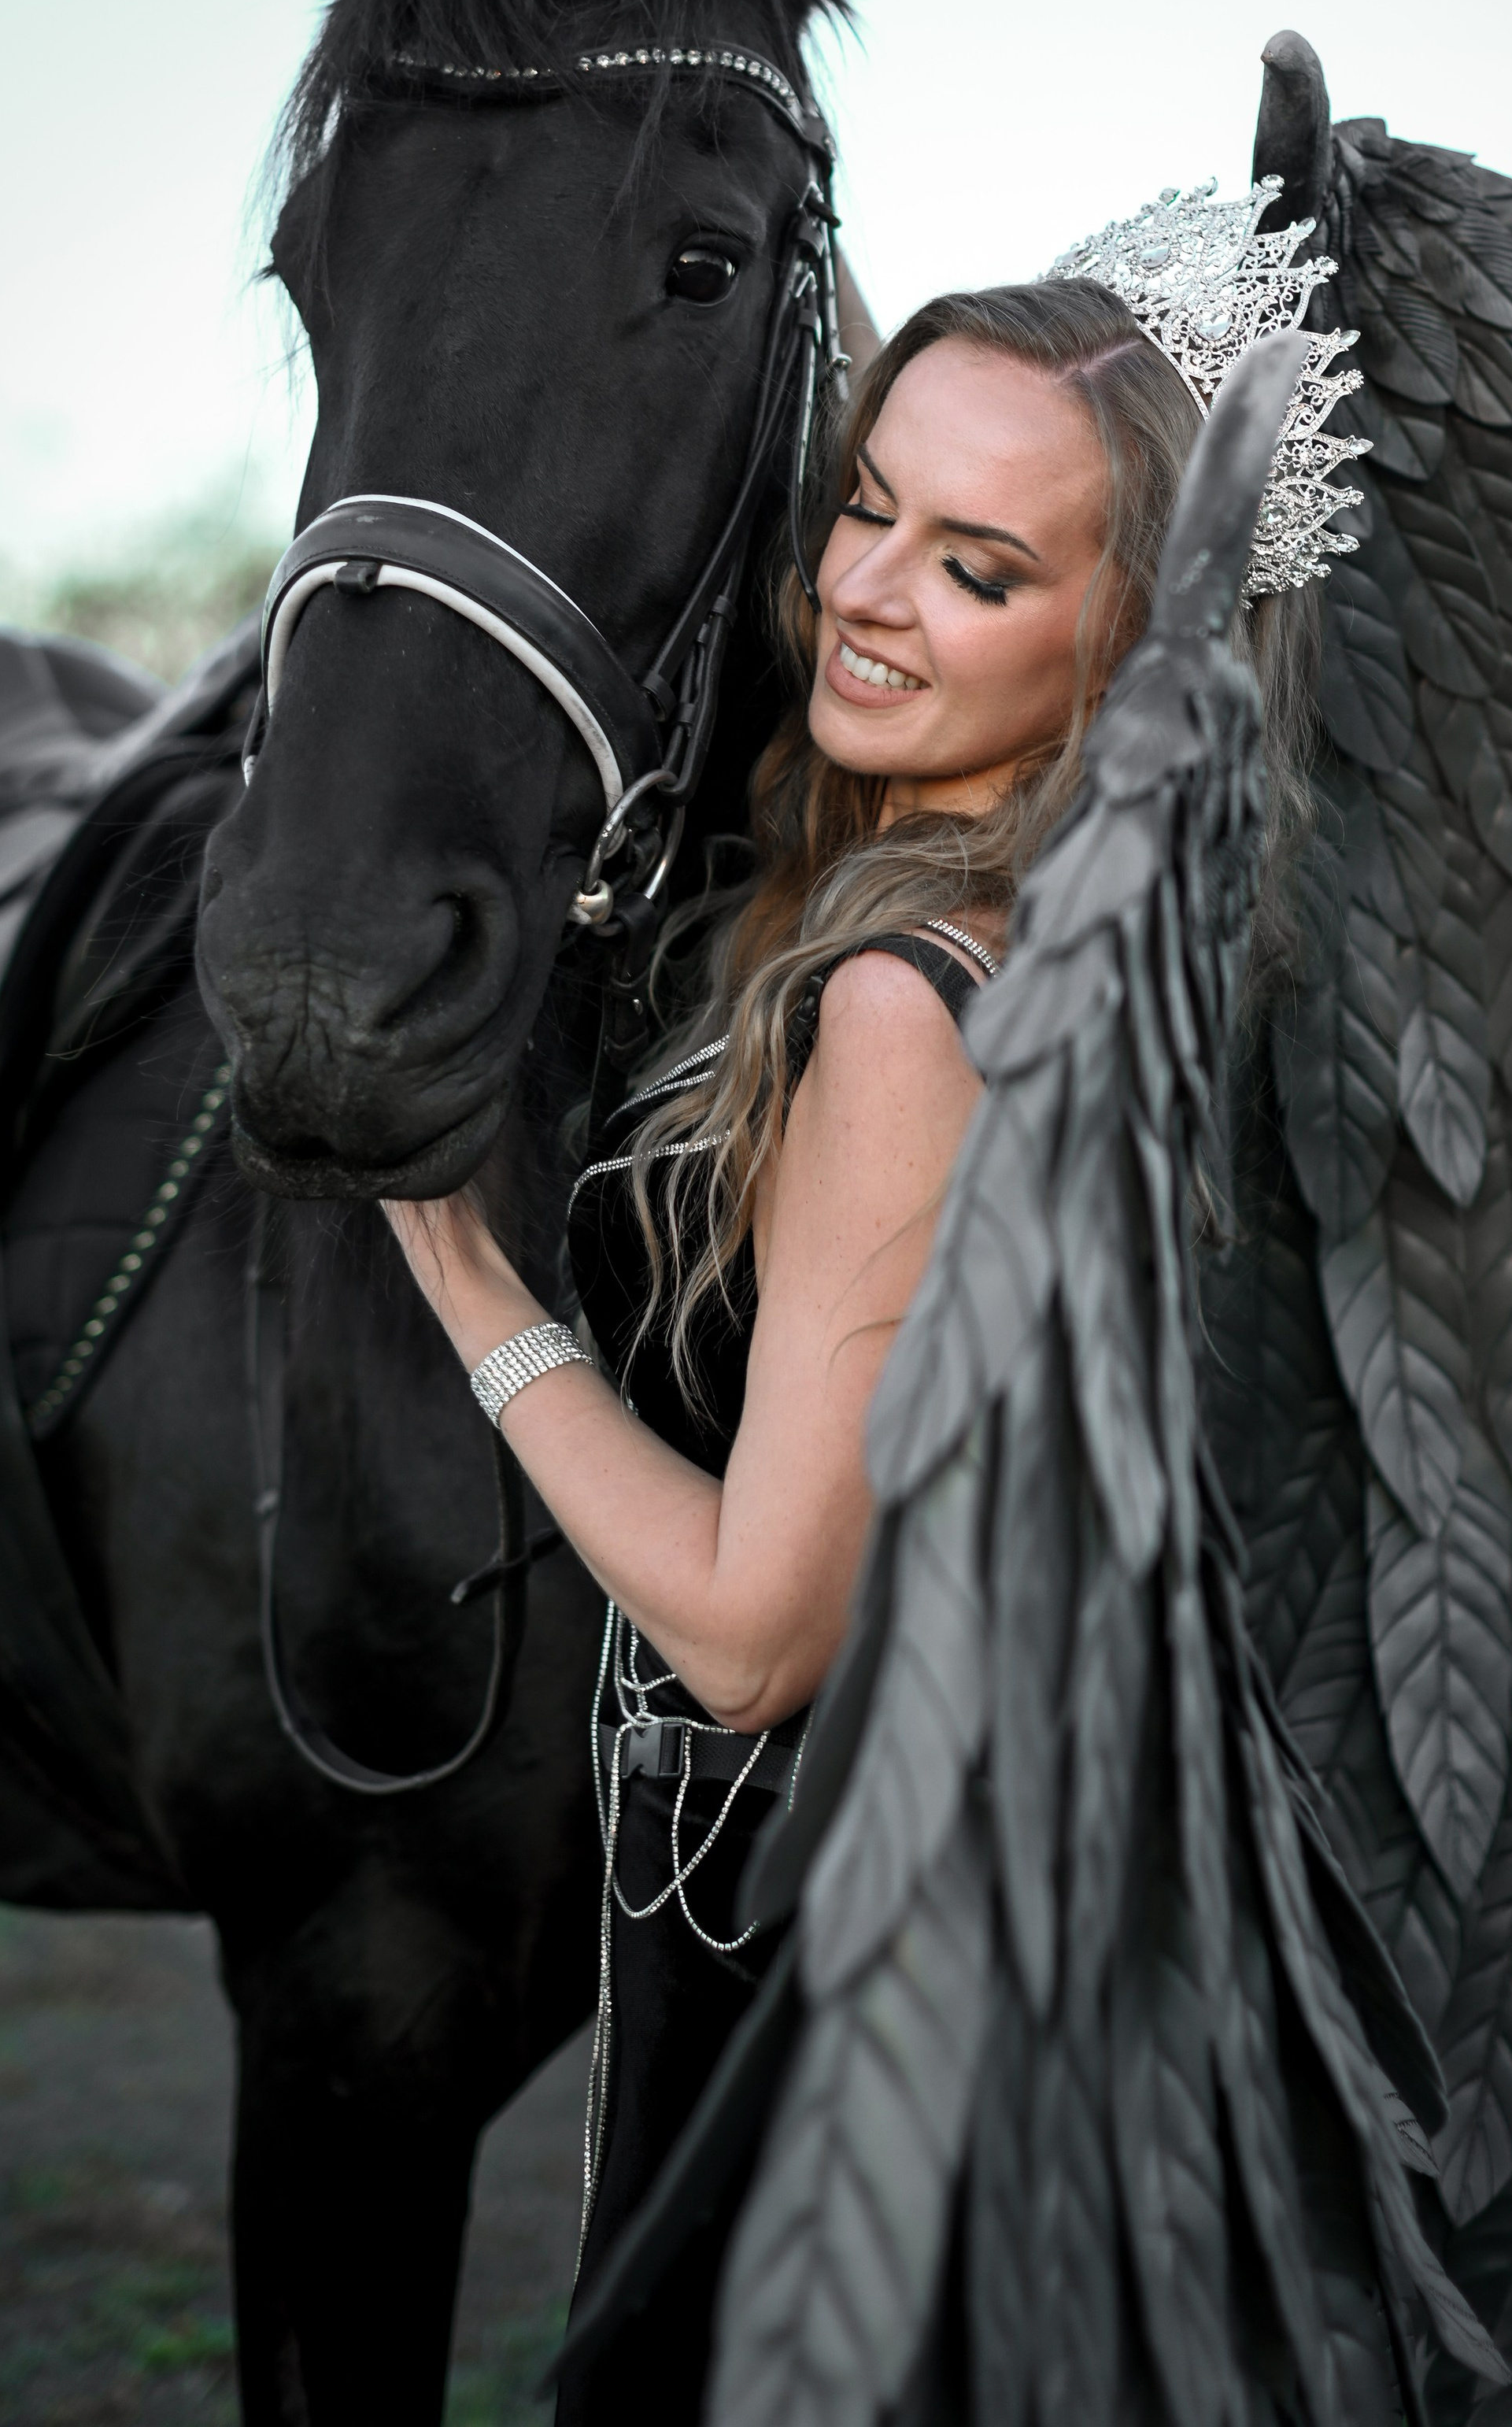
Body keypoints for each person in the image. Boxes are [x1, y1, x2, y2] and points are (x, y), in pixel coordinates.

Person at [383, 269, 1323, 2417]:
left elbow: (749, 1636)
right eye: (868, 509)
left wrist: (461, 1273)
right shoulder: (1096, 947)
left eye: (979, 566)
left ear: (1120, 639)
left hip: (820, 1944)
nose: (869, 597)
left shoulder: (905, 1005)